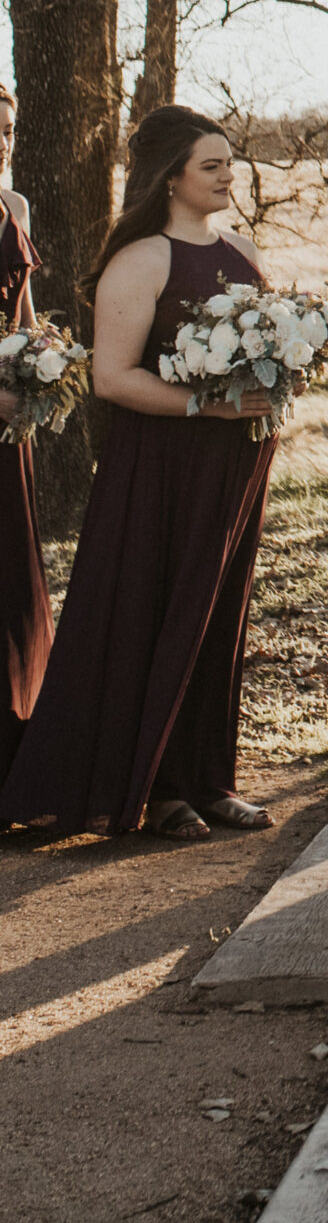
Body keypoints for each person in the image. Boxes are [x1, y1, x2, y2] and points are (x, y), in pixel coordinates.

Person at [0, 106, 278, 841]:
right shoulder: (142, 259)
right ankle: (154, 790)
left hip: (235, 463)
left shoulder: (243, 250)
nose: (227, 177)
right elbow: (114, 379)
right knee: (157, 617)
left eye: (228, 163)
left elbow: (267, 352)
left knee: (218, 618)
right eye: (211, 166)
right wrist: (206, 406)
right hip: (161, 467)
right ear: (170, 178)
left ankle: (208, 779)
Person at [0, 78, 52, 782]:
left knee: (11, 577)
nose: (1, 143)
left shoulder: (13, 205)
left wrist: (44, 367)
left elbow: (26, 315)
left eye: (7, 130)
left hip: (12, 427)